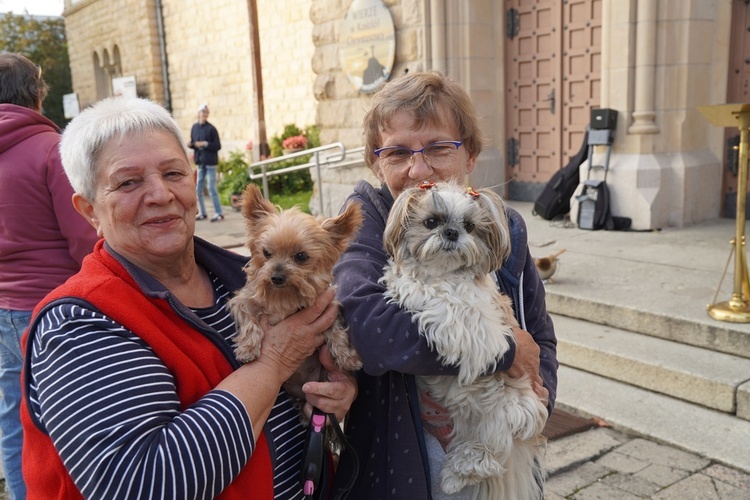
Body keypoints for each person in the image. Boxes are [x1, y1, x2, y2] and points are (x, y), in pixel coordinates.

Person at [20, 96, 357, 499]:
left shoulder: (237, 275)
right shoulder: (78, 325)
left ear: (194, 180)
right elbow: (146, 485)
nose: (160, 194)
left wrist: (340, 394)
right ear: (89, 210)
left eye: (173, 172)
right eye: (129, 182)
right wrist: (273, 364)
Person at [331, 71, 558, 499]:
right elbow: (371, 332)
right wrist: (507, 351)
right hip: (401, 459)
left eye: (438, 148)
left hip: (502, 443)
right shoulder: (366, 218)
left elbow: (540, 335)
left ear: (470, 155)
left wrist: (533, 400)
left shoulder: (506, 226)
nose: (418, 169)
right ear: (376, 162)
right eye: (397, 153)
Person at [0, 53, 100, 500]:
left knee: (11, 415)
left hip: (2, 307)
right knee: (72, 415)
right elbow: (83, 238)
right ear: (36, 92)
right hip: (53, 306)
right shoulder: (51, 150)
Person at [189, 103, 224, 222]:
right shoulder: (195, 127)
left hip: (210, 162)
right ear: (198, 113)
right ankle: (202, 212)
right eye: (202, 112)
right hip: (200, 162)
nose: (204, 114)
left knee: (211, 188)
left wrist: (205, 144)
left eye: (206, 112)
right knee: (198, 188)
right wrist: (192, 145)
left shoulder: (211, 129)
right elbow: (193, 142)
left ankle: (219, 213)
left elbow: (217, 146)